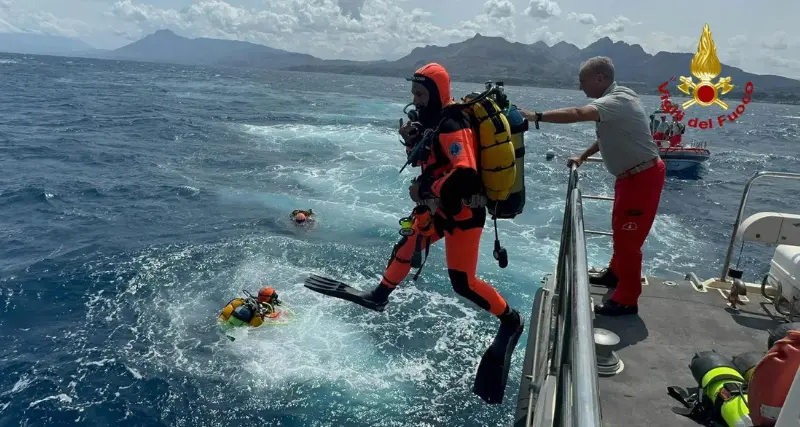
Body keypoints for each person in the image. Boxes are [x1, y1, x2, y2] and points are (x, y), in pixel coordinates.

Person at [305, 62, 523, 404]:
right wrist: (410, 143)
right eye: (414, 94)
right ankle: (379, 295)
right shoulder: (433, 121)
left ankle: (511, 320)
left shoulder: (452, 123)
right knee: (408, 243)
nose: (416, 100)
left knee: (463, 283)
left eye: (421, 94)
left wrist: (426, 186)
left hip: (462, 212)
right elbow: (429, 159)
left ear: (437, 93)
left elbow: (464, 174)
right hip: (438, 208)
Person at [519, 56, 666, 316]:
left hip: (642, 178)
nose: (580, 87)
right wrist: (583, 156)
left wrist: (535, 116)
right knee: (621, 233)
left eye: (582, 81)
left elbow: (578, 113)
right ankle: (614, 274)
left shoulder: (617, 100)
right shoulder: (618, 100)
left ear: (599, 78)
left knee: (628, 241)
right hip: (630, 177)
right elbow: (610, 136)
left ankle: (627, 300)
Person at [218, 286, 282, 327]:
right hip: (245, 327)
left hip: (225, 322)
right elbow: (274, 318)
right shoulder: (266, 308)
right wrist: (280, 313)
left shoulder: (247, 301)